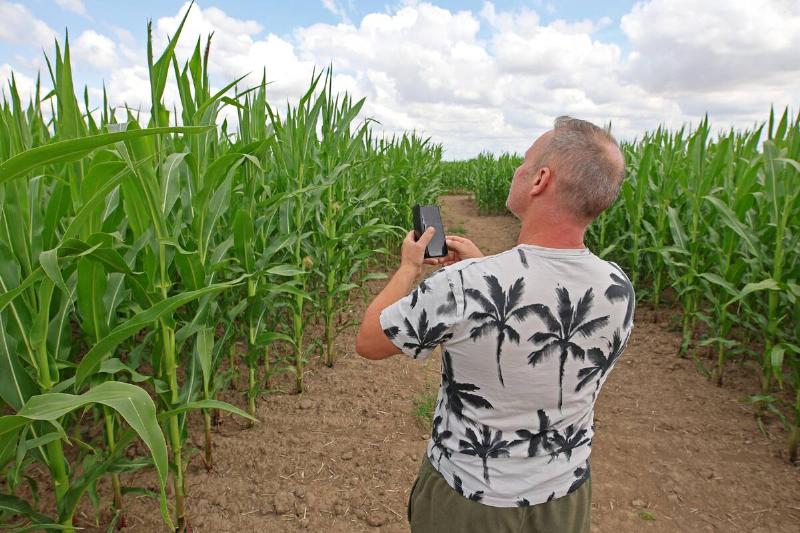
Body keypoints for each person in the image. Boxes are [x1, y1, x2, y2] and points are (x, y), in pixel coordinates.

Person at [355, 116, 633, 532]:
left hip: (470, 504)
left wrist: (409, 268)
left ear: (539, 180)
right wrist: (486, 268)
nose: (516, 170)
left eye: (523, 162)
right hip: (565, 499)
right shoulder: (618, 286)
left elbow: (370, 341)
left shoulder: (466, 285)